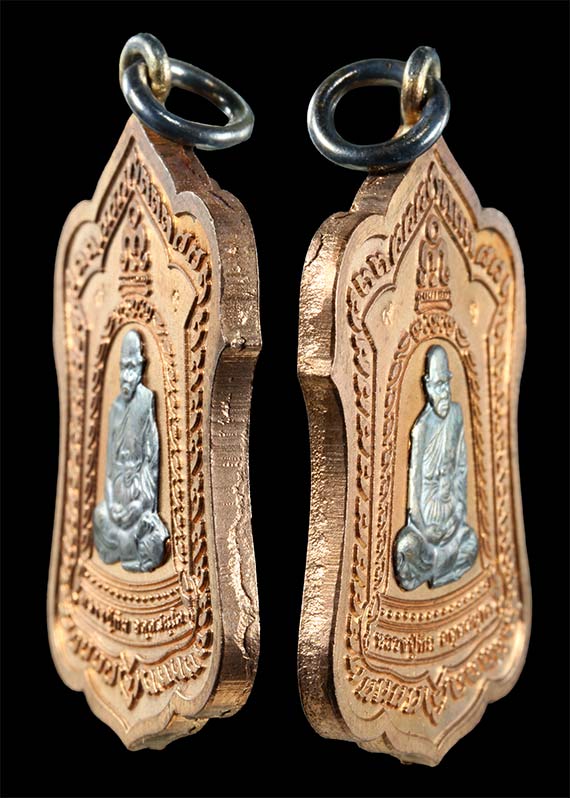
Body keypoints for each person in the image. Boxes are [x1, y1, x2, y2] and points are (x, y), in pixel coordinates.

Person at [394, 345, 478, 590]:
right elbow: (414, 492)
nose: (445, 392)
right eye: (438, 385)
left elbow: (461, 469)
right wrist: (425, 529)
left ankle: (434, 571)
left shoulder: (456, 415)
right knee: (406, 546)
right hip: (425, 528)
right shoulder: (422, 429)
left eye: (447, 384)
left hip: (452, 519)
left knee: (471, 542)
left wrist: (458, 514)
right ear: (428, 386)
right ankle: (436, 568)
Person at [93, 330, 169, 572]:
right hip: (118, 494)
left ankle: (129, 549)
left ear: (140, 367)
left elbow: (151, 463)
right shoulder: (116, 408)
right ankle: (126, 549)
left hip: (139, 495)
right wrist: (113, 504)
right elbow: (109, 468)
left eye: (132, 368)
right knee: (100, 516)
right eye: (123, 368)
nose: (126, 376)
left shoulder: (145, 401)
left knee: (151, 532)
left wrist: (139, 505)